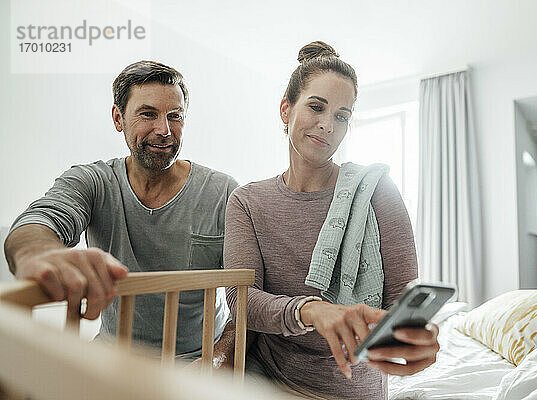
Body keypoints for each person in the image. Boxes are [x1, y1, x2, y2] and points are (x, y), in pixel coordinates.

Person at [223, 42, 439, 399]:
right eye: (316, 107)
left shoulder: (376, 190)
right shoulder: (247, 202)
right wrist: (311, 310)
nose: (327, 125)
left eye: (342, 116)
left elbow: (402, 298)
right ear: (285, 109)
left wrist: (415, 337)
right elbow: (242, 302)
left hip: (356, 387)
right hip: (272, 384)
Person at [4, 60, 238, 364]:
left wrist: (215, 362)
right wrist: (35, 252)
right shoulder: (93, 182)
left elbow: (248, 299)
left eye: (175, 116)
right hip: (113, 358)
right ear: (119, 118)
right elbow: (41, 219)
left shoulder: (223, 193)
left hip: (197, 361)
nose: (164, 130)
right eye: (148, 114)